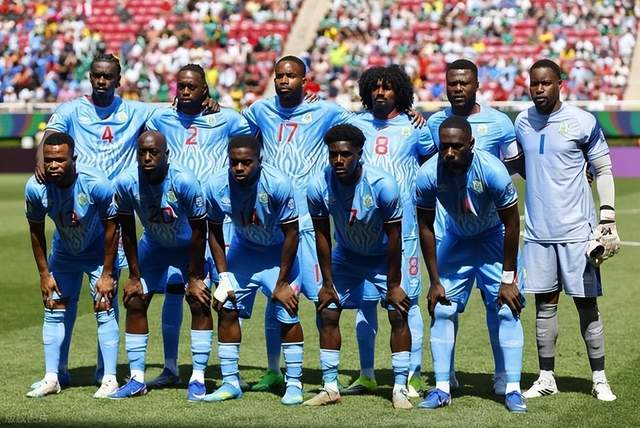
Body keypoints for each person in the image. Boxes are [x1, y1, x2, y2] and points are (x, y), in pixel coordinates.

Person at [241, 55, 353, 392]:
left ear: (305, 81)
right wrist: (210, 105)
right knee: (276, 297)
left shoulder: (326, 111)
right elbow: (234, 132)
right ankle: (274, 370)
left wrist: (407, 112)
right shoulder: (260, 110)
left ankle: (329, 377)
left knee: (323, 298)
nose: (284, 81)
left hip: (309, 221)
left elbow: (363, 127)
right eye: (279, 75)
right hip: (273, 225)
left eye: (291, 76)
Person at [515, 59, 619, 401]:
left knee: (587, 305)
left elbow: (603, 168)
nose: (539, 89)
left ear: (560, 84)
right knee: (544, 306)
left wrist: (607, 216)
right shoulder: (522, 122)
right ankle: (546, 378)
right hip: (538, 233)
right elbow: (525, 165)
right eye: (534, 83)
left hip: (578, 232)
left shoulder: (582, 121)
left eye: (546, 83)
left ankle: (599, 378)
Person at [144, 63, 251, 388]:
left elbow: (252, 143)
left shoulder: (228, 119)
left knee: (221, 295)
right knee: (174, 290)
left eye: (192, 86)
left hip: (216, 221)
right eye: (181, 86)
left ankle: (224, 372)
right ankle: (171, 367)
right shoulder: (161, 118)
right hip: (178, 221)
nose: (186, 91)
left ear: (205, 90)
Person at [425, 59, 522, 395]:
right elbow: (425, 161)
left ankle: (504, 377)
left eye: (464, 83)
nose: (458, 88)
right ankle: (445, 378)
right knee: (444, 307)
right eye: (452, 83)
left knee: (501, 306)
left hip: (492, 226)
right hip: (451, 228)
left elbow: (517, 164)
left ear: (477, 85)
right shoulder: (435, 122)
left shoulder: (499, 123)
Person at [303, 124, 413, 410]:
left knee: (398, 312)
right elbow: (321, 234)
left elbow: (395, 237)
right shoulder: (318, 185)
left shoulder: (383, 185)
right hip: (347, 256)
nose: (339, 160)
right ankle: (330, 388)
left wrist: (393, 285)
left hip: (381, 257)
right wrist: (327, 283)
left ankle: (400, 388)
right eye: (333, 155)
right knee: (327, 309)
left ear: (359, 154)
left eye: (346, 154)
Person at [344, 65, 436, 398]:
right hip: (364, 231)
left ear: (400, 92)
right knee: (365, 303)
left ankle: (412, 375)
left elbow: (433, 168)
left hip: (404, 229)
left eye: (387, 88)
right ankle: (366, 374)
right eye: (375, 87)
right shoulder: (355, 125)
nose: (380, 93)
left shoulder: (415, 128)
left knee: (407, 302)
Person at [202, 135, 304, 405]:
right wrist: (223, 277)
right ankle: (230, 383)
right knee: (226, 306)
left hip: (279, 253)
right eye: (234, 162)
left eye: (246, 162)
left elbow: (292, 234)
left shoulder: (278, 183)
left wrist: (281, 283)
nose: (239, 168)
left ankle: (294, 384)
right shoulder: (215, 185)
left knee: (288, 310)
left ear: (260, 160)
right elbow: (213, 231)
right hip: (244, 251)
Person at [109, 131, 211, 401]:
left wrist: (194, 277)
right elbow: (127, 230)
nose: (147, 157)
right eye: (142, 152)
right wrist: (134, 275)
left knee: (199, 300)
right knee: (134, 299)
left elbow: (200, 230)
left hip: (188, 246)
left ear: (166, 155)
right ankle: (136, 379)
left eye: (153, 152)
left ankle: (198, 378)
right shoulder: (126, 182)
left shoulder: (184, 181)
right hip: (154, 246)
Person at [25, 132, 120, 398]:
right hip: (65, 252)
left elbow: (113, 228)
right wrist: (44, 274)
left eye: (60, 160)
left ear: (73, 159)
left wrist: (108, 273)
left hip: (99, 252)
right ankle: (53, 377)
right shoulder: (35, 187)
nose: (53, 165)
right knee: (53, 306)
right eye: (49, 160)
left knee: (104, 306)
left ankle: (109, 378)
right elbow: (35, 231)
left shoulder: (96, 183)